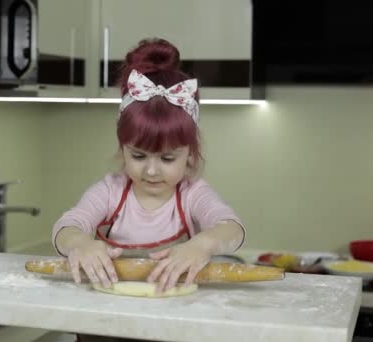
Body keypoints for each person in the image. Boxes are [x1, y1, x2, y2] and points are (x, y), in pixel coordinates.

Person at [52, 38, 246, 299]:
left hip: (173, 318)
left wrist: (202, 244)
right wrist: (79, 244)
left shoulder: (192, 194)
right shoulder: (111, 191)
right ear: (123, 148)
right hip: (107, 315)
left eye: (167, 159)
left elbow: (232, 228)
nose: (151, 171)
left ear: (190, 154)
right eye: (139, 156)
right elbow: (68, 226)